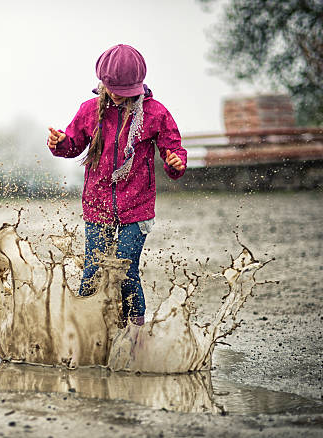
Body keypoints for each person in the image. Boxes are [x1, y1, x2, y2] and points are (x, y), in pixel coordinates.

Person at [47, 44, 187, 327]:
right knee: (93, 271)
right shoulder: (90, 111)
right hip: (97, 204)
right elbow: (73, 144)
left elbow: (174, 149)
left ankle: (135, 334)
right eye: (113, 90)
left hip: (138, 207)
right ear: (103, 83)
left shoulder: (155, 113)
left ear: (139, 86)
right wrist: (61, 144)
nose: (119, 97)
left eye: (126, 93)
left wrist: (175, 163)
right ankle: (88, 332)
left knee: (124, 269)